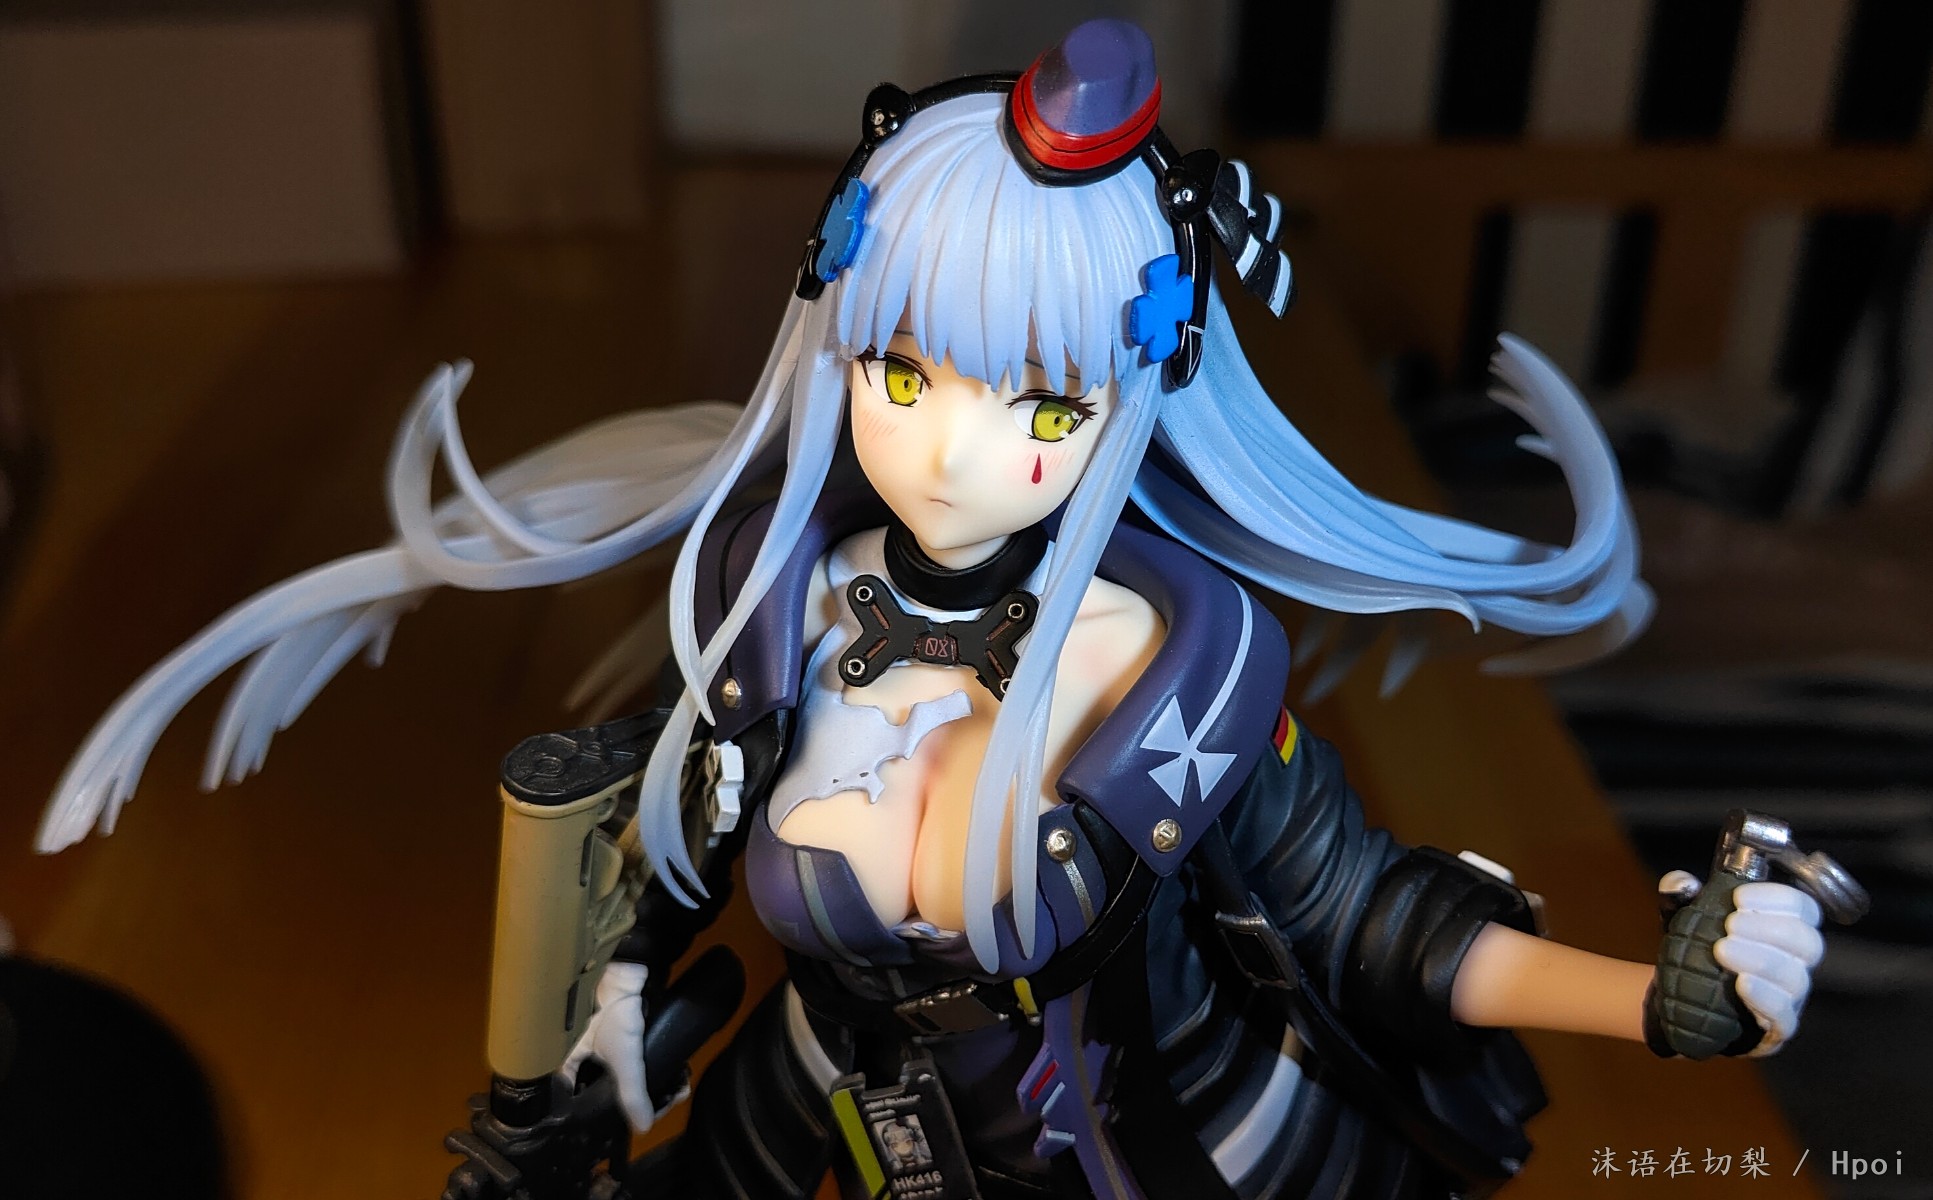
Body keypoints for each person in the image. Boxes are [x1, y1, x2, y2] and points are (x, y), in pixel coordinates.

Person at [38, 20, 1832, 1200]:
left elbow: (1370, 920)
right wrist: (585, 1054)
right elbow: (655, 892)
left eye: (1040, 400)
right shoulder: (766, 615)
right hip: (813, 1123)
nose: (953, 449)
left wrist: (1660, 1000)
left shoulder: (1172, 671)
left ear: (1131, 396)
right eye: (901, 369)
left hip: (1166, 1156)